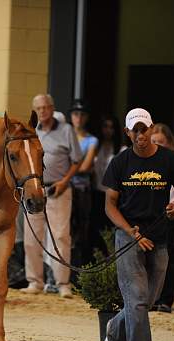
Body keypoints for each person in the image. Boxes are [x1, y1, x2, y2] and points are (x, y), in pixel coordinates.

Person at [101, 108, 174, 341]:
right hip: (129, 237)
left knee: (146, 301)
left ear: (153, 129)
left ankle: (114, 329)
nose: (141, 135)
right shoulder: (120, 163)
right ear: (128, 132)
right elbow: (109, 205)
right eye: (136, 130)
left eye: (145, 129)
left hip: (159, 237)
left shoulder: (170, 160)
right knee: (138, 298)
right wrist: (131, 232)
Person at [20, 94, 82, 298]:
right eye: (38, 108)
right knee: (32, 237)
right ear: (34, 110)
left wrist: (65, 181)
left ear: (53, 108)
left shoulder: (66, 130)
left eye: (46, 107)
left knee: (61, 236)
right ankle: (34, 281)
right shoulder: (30, 132)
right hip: (34, 189)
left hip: (59, 188)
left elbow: (77, 161)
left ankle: (63, 283)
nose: (43, 111)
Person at [150, 123, 174, 313]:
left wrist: (172, 205)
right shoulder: (146, 160)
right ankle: (151, 297)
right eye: (154, 141)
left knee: (165, 257)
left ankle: (166, 299)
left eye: (161, 142)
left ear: (169, 143)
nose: (157, 145)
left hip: (168, 214)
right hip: (150, 215)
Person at [69, 99, 98, 271]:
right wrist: (76, 167)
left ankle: (77, 271)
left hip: (81, 189)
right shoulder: (66, 135)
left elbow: (86, 167)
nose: (78, 118)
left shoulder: (91, 140)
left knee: (81, 230)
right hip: (65, 188)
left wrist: (69, 168)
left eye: (82, 114)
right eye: (75, 114)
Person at [89, 115, 123, 256]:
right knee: (95, 230)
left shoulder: (121, 149)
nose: (108, 130)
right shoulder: (95, 147)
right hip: (96, 193)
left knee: (111, 230)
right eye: (105, 126)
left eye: (111, 127)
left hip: (113, 195)